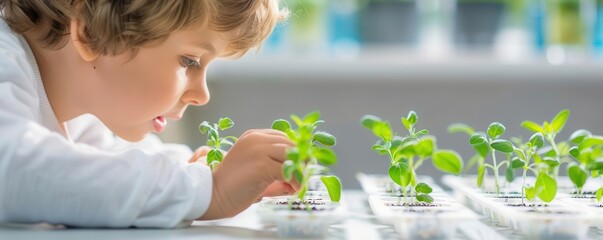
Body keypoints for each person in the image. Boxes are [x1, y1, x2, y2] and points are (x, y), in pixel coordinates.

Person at [0, 0, 297, 228]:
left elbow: (106, 160)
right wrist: (209, 191)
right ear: (92, 33)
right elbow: (13, 170)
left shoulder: (74, 113)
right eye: (189, 61)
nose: (202, 95)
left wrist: (201, 170)